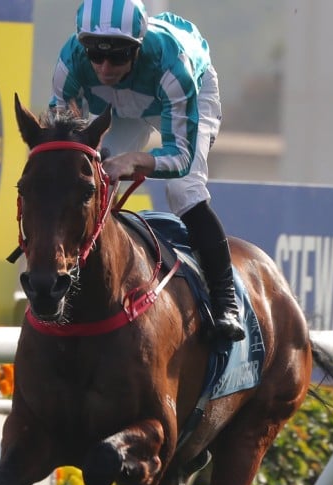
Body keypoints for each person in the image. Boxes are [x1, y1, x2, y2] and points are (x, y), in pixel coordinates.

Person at [51, 0, 245, 341]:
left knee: (183, 191)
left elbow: (180, 158)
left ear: (137, 50)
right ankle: (69, 286)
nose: (106, 66)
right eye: (96, 54)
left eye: (119, 55)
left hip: (183, 97)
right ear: (83, 46)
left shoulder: (173, 68)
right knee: (91, 183)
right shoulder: (69, 64)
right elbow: (63, 147)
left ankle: (225, 302)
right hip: (116, 104)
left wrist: (134, 160)